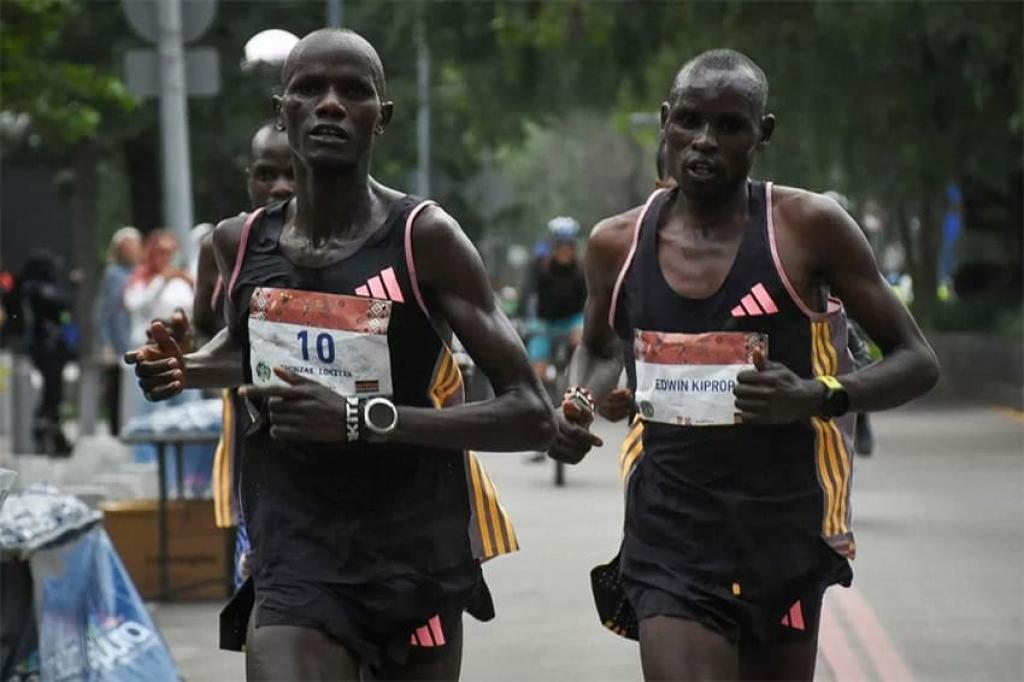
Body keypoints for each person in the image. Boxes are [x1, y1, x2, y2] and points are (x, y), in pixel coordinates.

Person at [126, 28, 554, 681]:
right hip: (296, 555)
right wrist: (182, 370)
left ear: (381, 120)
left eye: (352, 92)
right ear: (282, 111)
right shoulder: (238, 243)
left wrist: (362, 420)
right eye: (309, 90)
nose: (330, 104)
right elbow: (243, 352)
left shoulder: (424, 239)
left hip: (414, 560)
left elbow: (531, 414)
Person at [550, 49, 939, 680]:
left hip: (781, 530)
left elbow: (918, 360)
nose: (704, 141)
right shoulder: (614, 244)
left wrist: (818, 395)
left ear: (763, 134)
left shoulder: (806, 227)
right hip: (669, 533)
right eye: (689, 121)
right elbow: (599, 348)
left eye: (729, 126)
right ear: (665, 121)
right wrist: (579, 403)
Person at [192, 121, 294, 588]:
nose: (280, 187)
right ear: (249, 178)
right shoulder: (225, 244)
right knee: (259, 581)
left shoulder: (345, 247)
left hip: (341, 444)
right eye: (266, 174)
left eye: (292, 173)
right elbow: (209, 334)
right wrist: (182, 361)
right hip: (253, 433)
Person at [14, 251, 74, 455]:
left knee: (54, 393)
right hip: (44, 349)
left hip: (53, 349)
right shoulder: (35, 288)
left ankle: (51, 429)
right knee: (48, 392)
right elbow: (60, 302)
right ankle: (45, 431)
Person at [522, 216, 588, 384]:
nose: (564, 252)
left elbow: (588, 301)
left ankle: (576, 377)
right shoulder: (540, 267)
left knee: (581, 339)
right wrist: (526, 318)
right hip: (545, 321)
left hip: (571, 320)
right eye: (561, 248)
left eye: (568, 248)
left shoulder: (581, 270)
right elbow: (528, 293)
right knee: (538, 369)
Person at [96, 227, 142, 436]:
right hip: (119, 339)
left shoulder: (141, 272)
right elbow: (105, 311)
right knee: (117, 386)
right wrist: (106, 341)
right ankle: (117, 428)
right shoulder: (113, 274)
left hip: (137, 336)